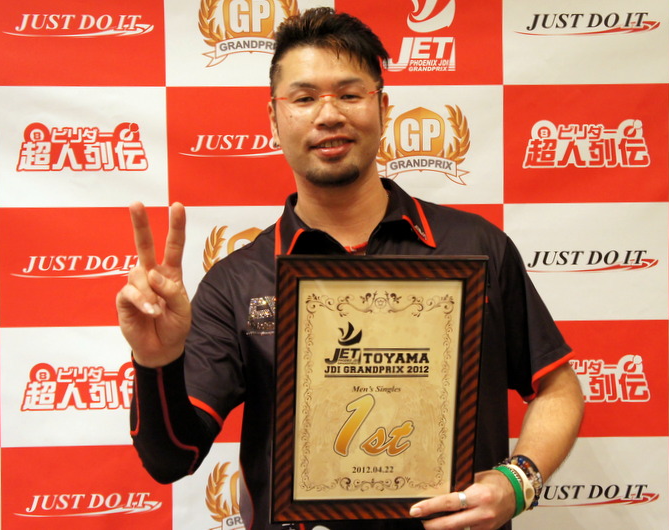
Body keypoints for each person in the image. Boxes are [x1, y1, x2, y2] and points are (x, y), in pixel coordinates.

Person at [116, 7, 584, 530]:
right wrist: (156, 362)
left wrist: (518, 481)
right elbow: (171, 459)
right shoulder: (238, 281)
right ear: (273, 118)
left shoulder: (476, 246)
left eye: (349, 94)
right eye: (304, 98)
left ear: (382, 106)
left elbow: (558, 388)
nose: (329, 115)